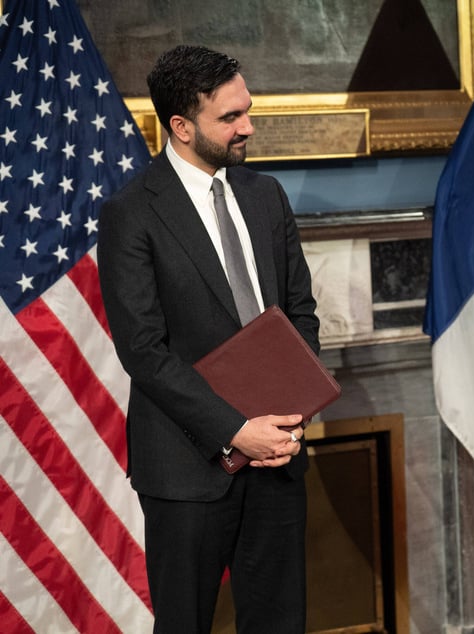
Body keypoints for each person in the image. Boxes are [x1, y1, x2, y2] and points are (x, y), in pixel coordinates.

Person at [98, 45, 320, 633]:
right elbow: (143, 351)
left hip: (278, 457)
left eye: (246, 109)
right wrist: (236, 429)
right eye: (230, 117)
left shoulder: (264, 195)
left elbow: (300, 313)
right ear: (181, 126)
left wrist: (285, 419)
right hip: (187, 465)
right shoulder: (131, 214)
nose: (248, 126)